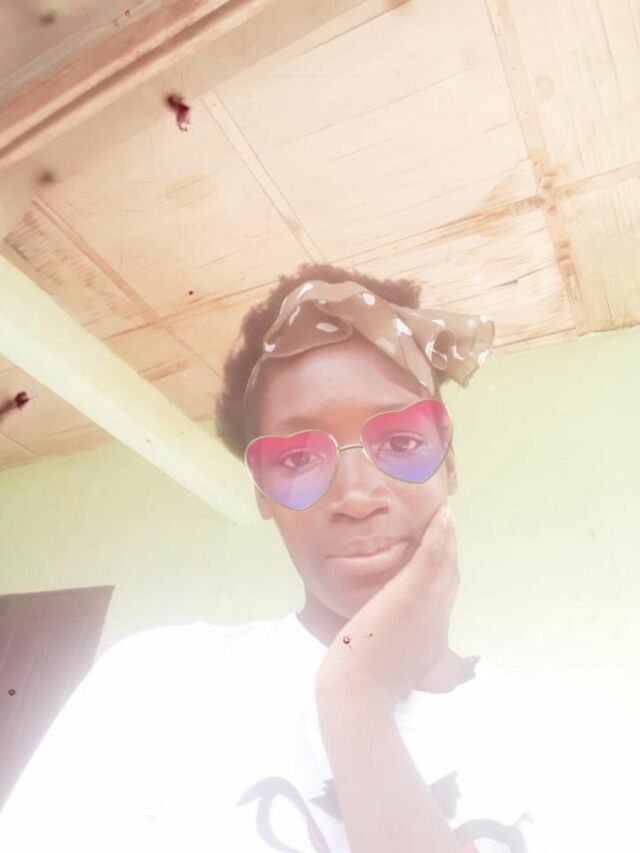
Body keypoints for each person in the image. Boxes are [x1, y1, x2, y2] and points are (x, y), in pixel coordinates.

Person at [0, 264, 634, 852]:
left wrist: (357, 699)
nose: (356, 496)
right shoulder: (154, 687)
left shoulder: (591, 755)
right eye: (298, 457)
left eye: (401, 441)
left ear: (449, 462)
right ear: (262, 493)